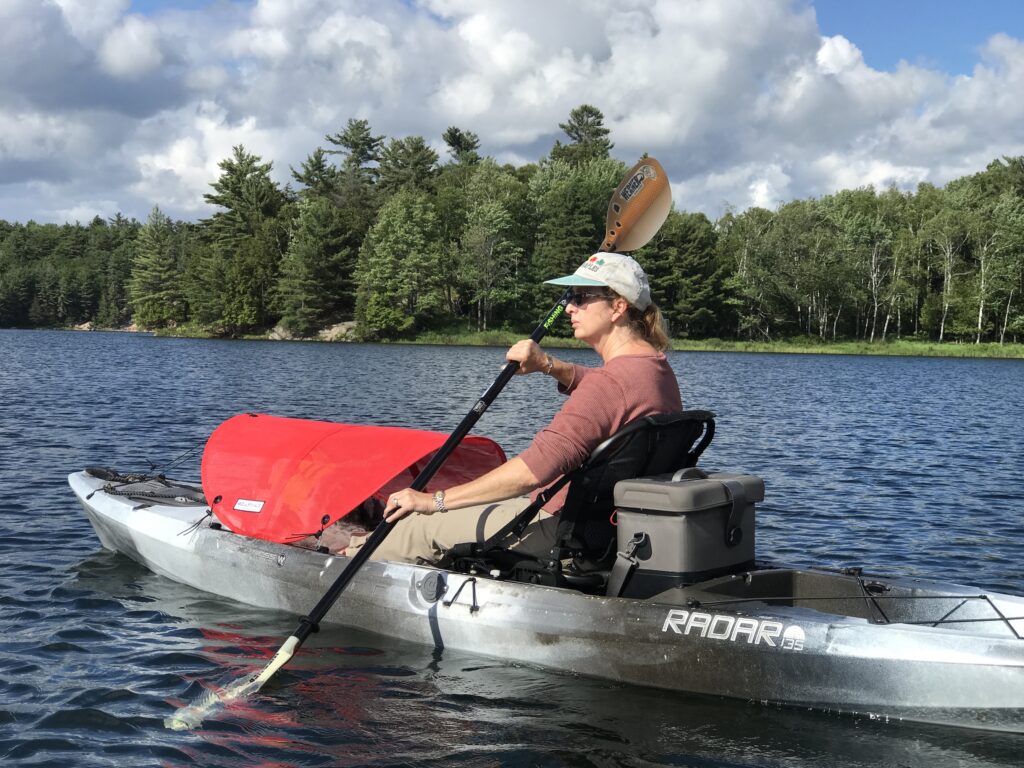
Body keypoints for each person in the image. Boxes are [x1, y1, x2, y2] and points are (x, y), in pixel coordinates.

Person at [342, 252, 682, 564]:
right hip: (604, 531)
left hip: (554, 527)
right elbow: (612, 391)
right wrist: (548, 364)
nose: (568, 308)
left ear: (618, 308)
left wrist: (432, 501)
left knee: (417, 524)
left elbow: (529, 474)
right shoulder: (655, 369)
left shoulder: (607, 385)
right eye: (569, 298)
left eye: (579, 298)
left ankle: (342, 557)